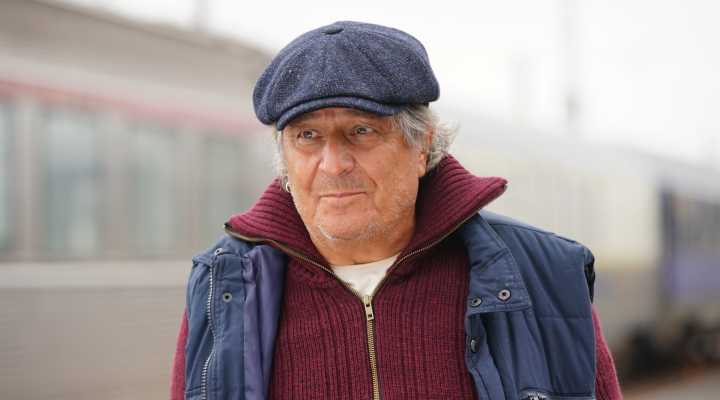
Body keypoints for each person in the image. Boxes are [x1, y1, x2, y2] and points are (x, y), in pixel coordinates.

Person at [171, 21, 622, 400]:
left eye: (361, 131)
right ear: (284, 158)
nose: (333, 165)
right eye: (307, 137)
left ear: (422, 145)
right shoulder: (223, 285)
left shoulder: (541, 275)